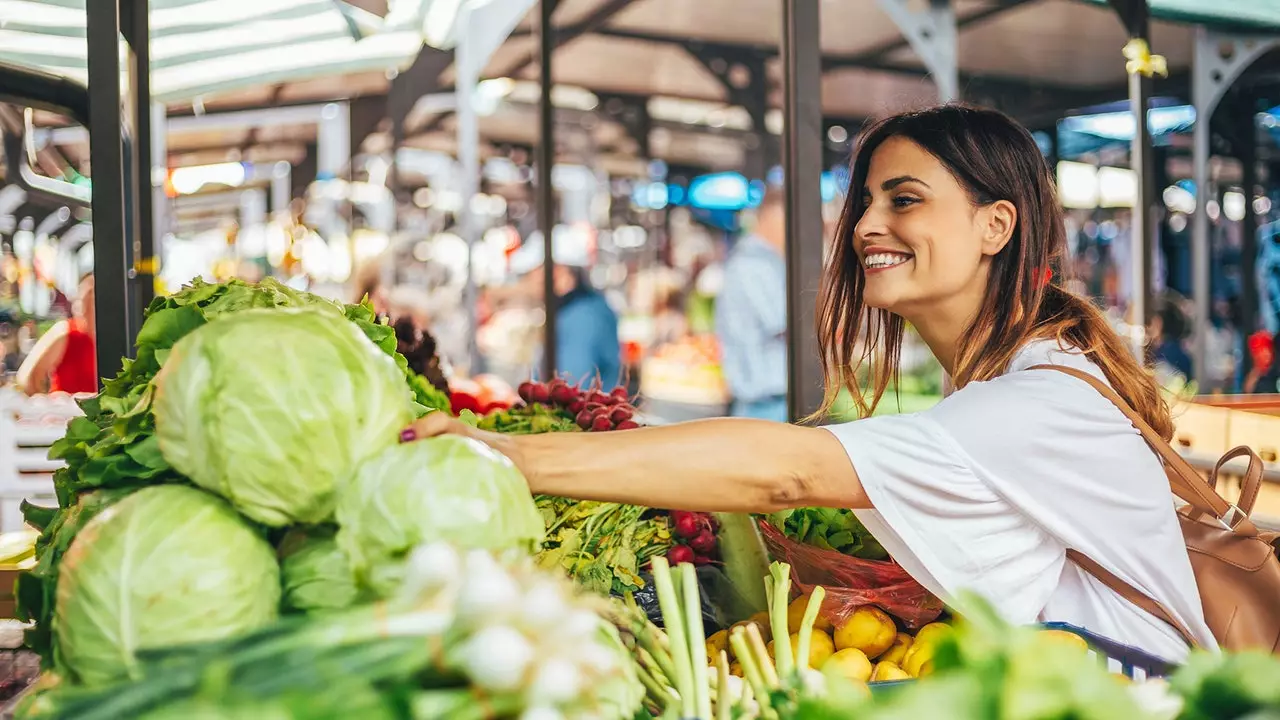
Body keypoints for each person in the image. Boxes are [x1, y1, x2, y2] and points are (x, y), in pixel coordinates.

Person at [403, 105, 1214, 662]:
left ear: (994, 226)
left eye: (905, 200)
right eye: (863, 201)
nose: (864, 227)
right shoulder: (1021, 377)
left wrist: (504, 453)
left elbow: (787, 469)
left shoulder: (1037, 399)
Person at [508, 230, 621, 389]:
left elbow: (568, 388)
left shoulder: (582, 318)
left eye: (531, 273)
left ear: (556, 271)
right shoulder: (580, 310)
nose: (527, 282)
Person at [715, 189, 789, 422]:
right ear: (776, 217)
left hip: (767, 404)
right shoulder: (753, 264)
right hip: (765, 405)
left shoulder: (760, 261)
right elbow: (790, 321)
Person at [17, 274, 96, 395]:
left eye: (92, 299)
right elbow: (28, 377)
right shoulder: (66, 332)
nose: (86, 306)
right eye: (83, 299)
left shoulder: (114, 339)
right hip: (65, 411)